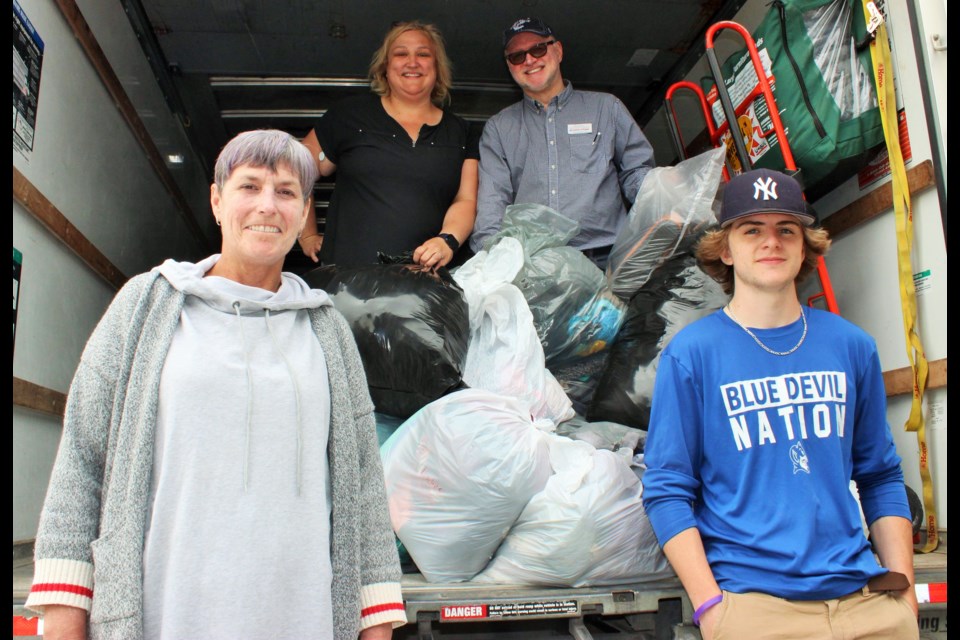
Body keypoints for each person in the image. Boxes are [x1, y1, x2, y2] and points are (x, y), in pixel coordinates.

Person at [24, 130, 407, 639]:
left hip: (302, 620)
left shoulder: (327, 329)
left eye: (287, 192)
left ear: (303, 212)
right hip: (168, 617)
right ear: (216, 200)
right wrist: (64, 621)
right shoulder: (146, 306)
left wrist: (375, 624)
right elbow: (82, 461)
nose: (267, 206)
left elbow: (362, 486)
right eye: (249, 186)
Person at [641, 168, 919, 640]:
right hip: (756, 612)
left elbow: (880, 475)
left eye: (786, 229)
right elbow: (667, 491)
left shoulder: (851, 345)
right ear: (725, 250)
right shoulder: (693, 354)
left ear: (806, 245)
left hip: (866, 604)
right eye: (752, 229)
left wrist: (906, 595)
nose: (771, 241)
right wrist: (712, 606)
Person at [470, 17, 656, 269]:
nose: (529, 60)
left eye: (538, 49)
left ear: (557, 50)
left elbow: (637, 172)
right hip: (536, 268)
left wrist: (664, 199)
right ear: (509, 66)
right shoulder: (498, 128)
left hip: (609, 260)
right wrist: (491, 259)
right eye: (517, 56)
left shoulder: (606, 107)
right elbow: (493, 202)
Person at [300, 21, 479, 269]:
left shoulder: (461, 132)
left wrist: (447, 240)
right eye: (401, 53)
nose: (412, 62)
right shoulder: (349, 115)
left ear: (437, 68)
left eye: (424, 54)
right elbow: (295, 170)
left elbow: (465, 199)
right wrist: (306, 234)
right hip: (345, 286)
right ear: (385, 67)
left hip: (422, 290)